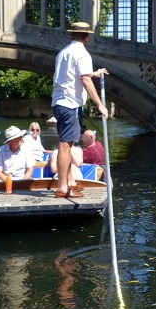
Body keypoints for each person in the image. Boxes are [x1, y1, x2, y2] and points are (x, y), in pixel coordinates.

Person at [51, 21, 108, 198]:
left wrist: (94, 73)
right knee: (65, 145)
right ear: (87, 37)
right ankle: (62, 187)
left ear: (70, 35)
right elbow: (85, 80)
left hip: (58, 103)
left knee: (67, 143)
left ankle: (70, 181)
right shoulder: (82, 54)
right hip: (70, 104)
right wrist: (99, 104)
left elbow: (73, 74)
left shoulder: (63, 52)